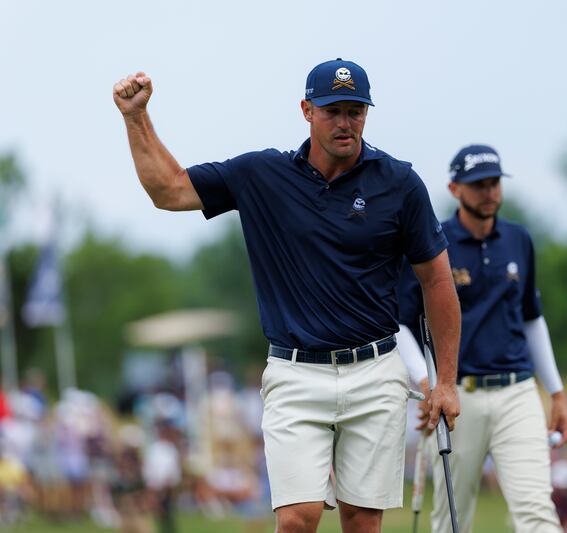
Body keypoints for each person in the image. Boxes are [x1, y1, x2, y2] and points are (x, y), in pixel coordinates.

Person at [113, 58, 461, 533]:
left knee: (363, 523)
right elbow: (169, 191)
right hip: (295, 374)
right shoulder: (263, 175)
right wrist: (136, 117)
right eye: (333, 110)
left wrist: (445, 381)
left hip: (376, 372)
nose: (346, 122)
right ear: (306, 110)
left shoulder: (398, 183)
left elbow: (437, 280)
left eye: (356, 111)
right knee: (297, 519)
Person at [396, 144, 567, 532]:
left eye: (494, 183)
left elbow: (531, 317)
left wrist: (556, 391)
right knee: (452, 520)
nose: (489, 192)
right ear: (455, 188)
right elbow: (401, 323)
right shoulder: (432, 241)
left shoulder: (519, 239)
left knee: (537, 511)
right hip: (458, 395)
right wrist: (425, 382)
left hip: (517, 391)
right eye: (478, 185)